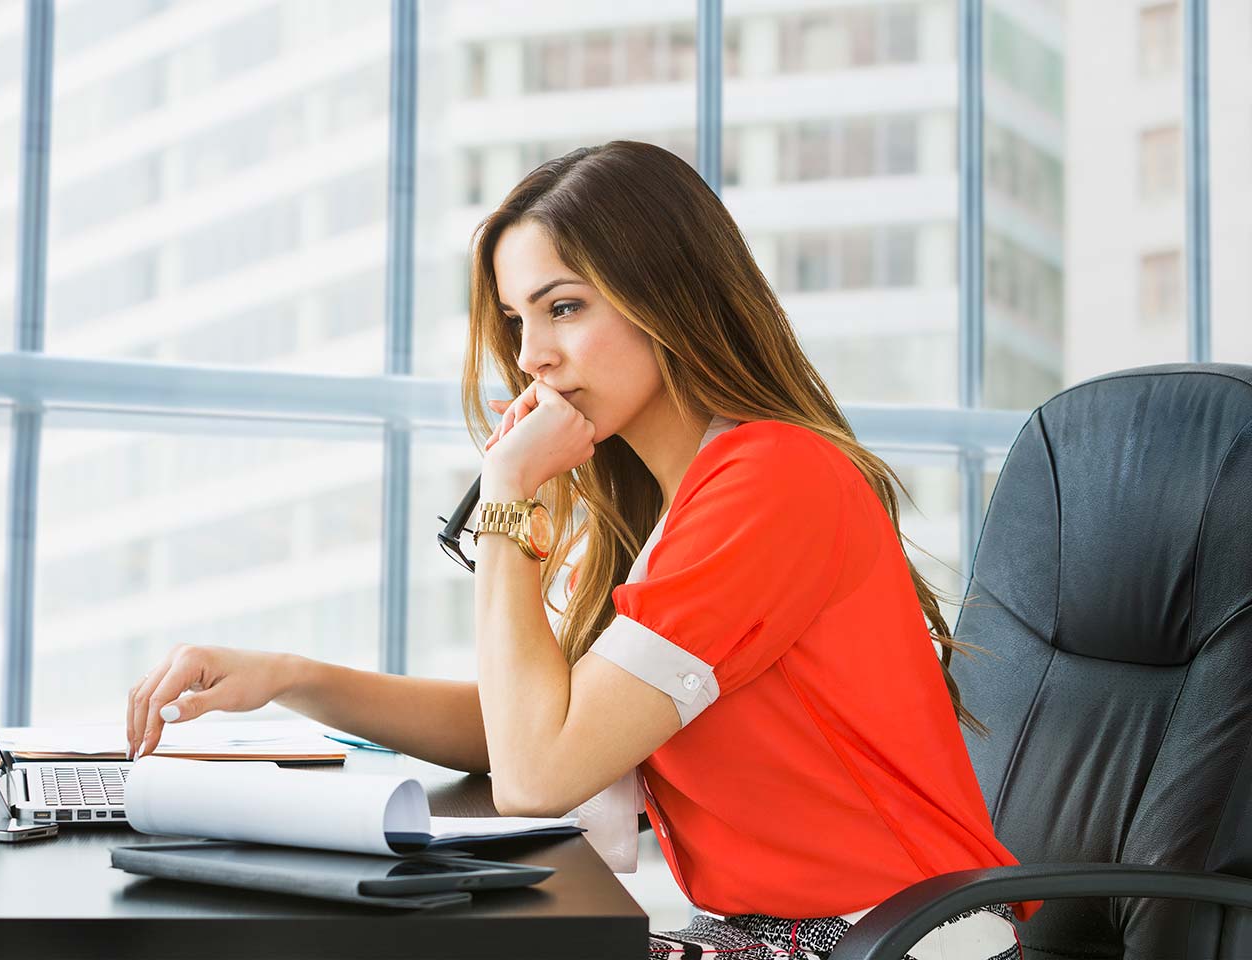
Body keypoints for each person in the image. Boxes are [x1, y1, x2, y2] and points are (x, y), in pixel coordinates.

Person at [125, 140, 1041, 958]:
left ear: (669, 298)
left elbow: (536, 774)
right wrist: (291, 677)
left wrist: (508, 500)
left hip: (893, 938)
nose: (531, 357)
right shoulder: (680, 503)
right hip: (778, 935)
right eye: (518, 321)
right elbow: (535, 729)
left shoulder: (772, 481)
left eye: (563, 308)